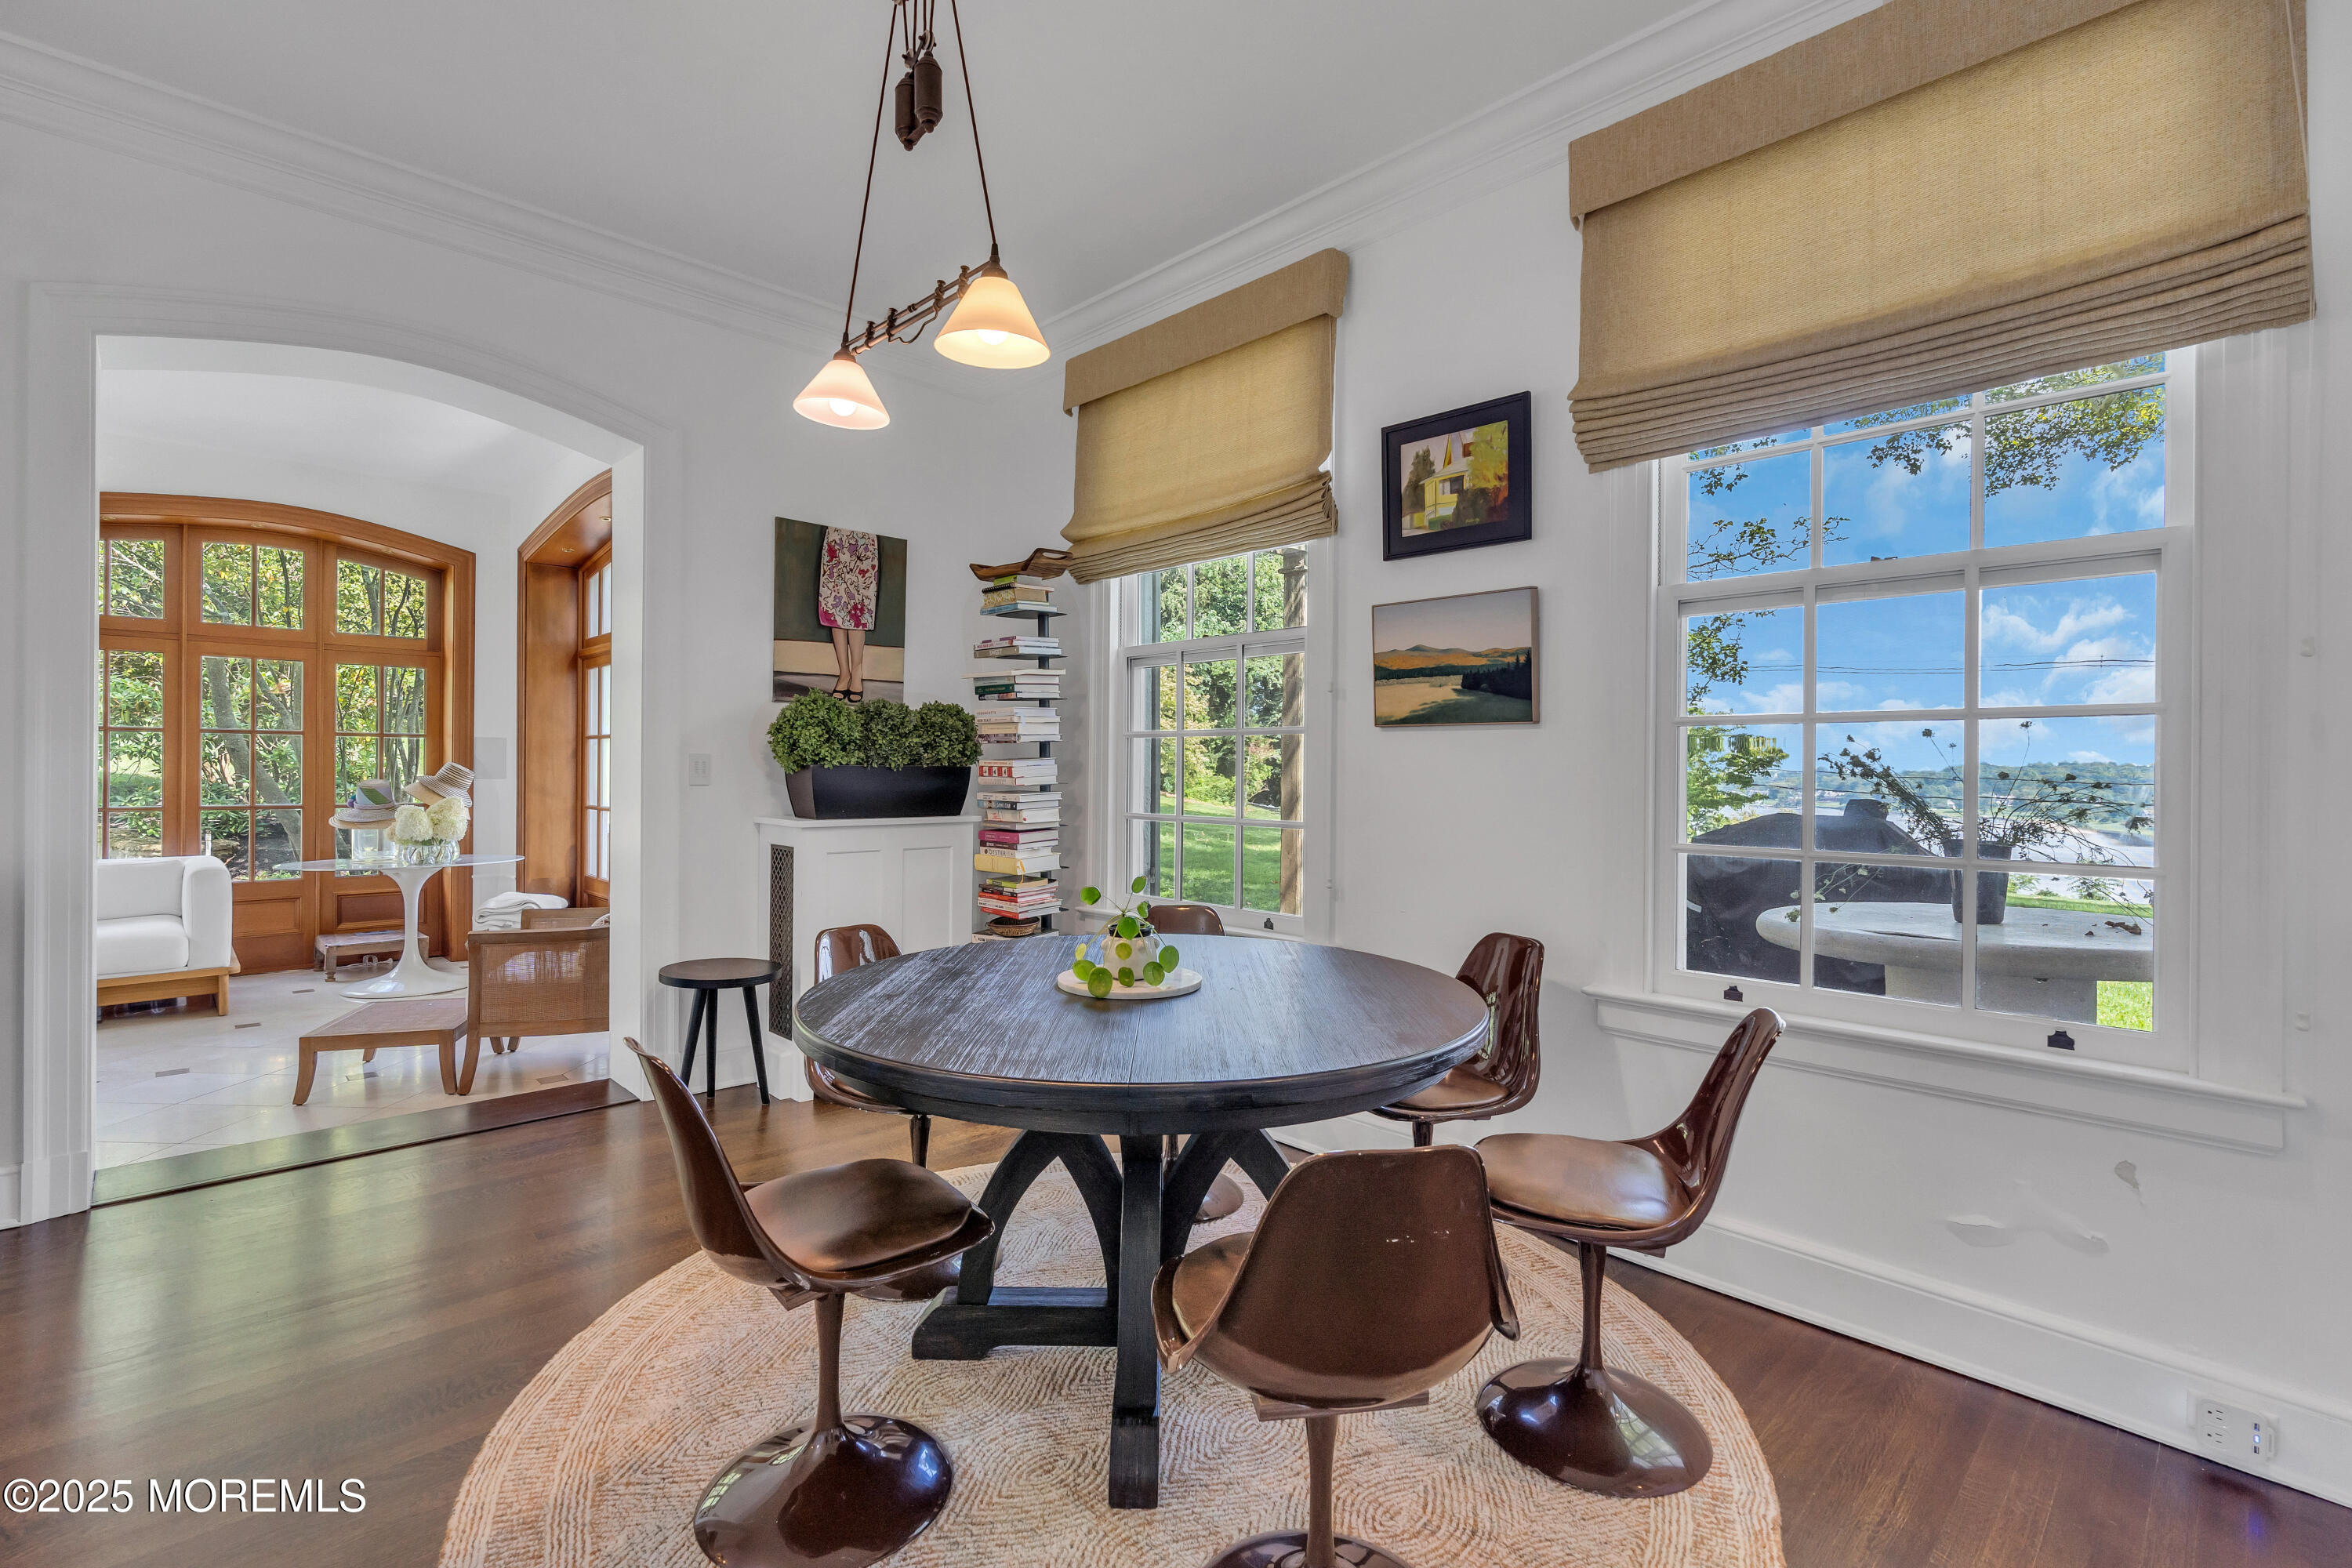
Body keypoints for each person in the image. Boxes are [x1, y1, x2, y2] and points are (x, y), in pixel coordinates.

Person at [816, 526, 880, 701]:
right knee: (836, 608)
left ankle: (857, 673)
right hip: (837, 539)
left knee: (858, 609)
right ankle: (844, 673)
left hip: (863, 543)